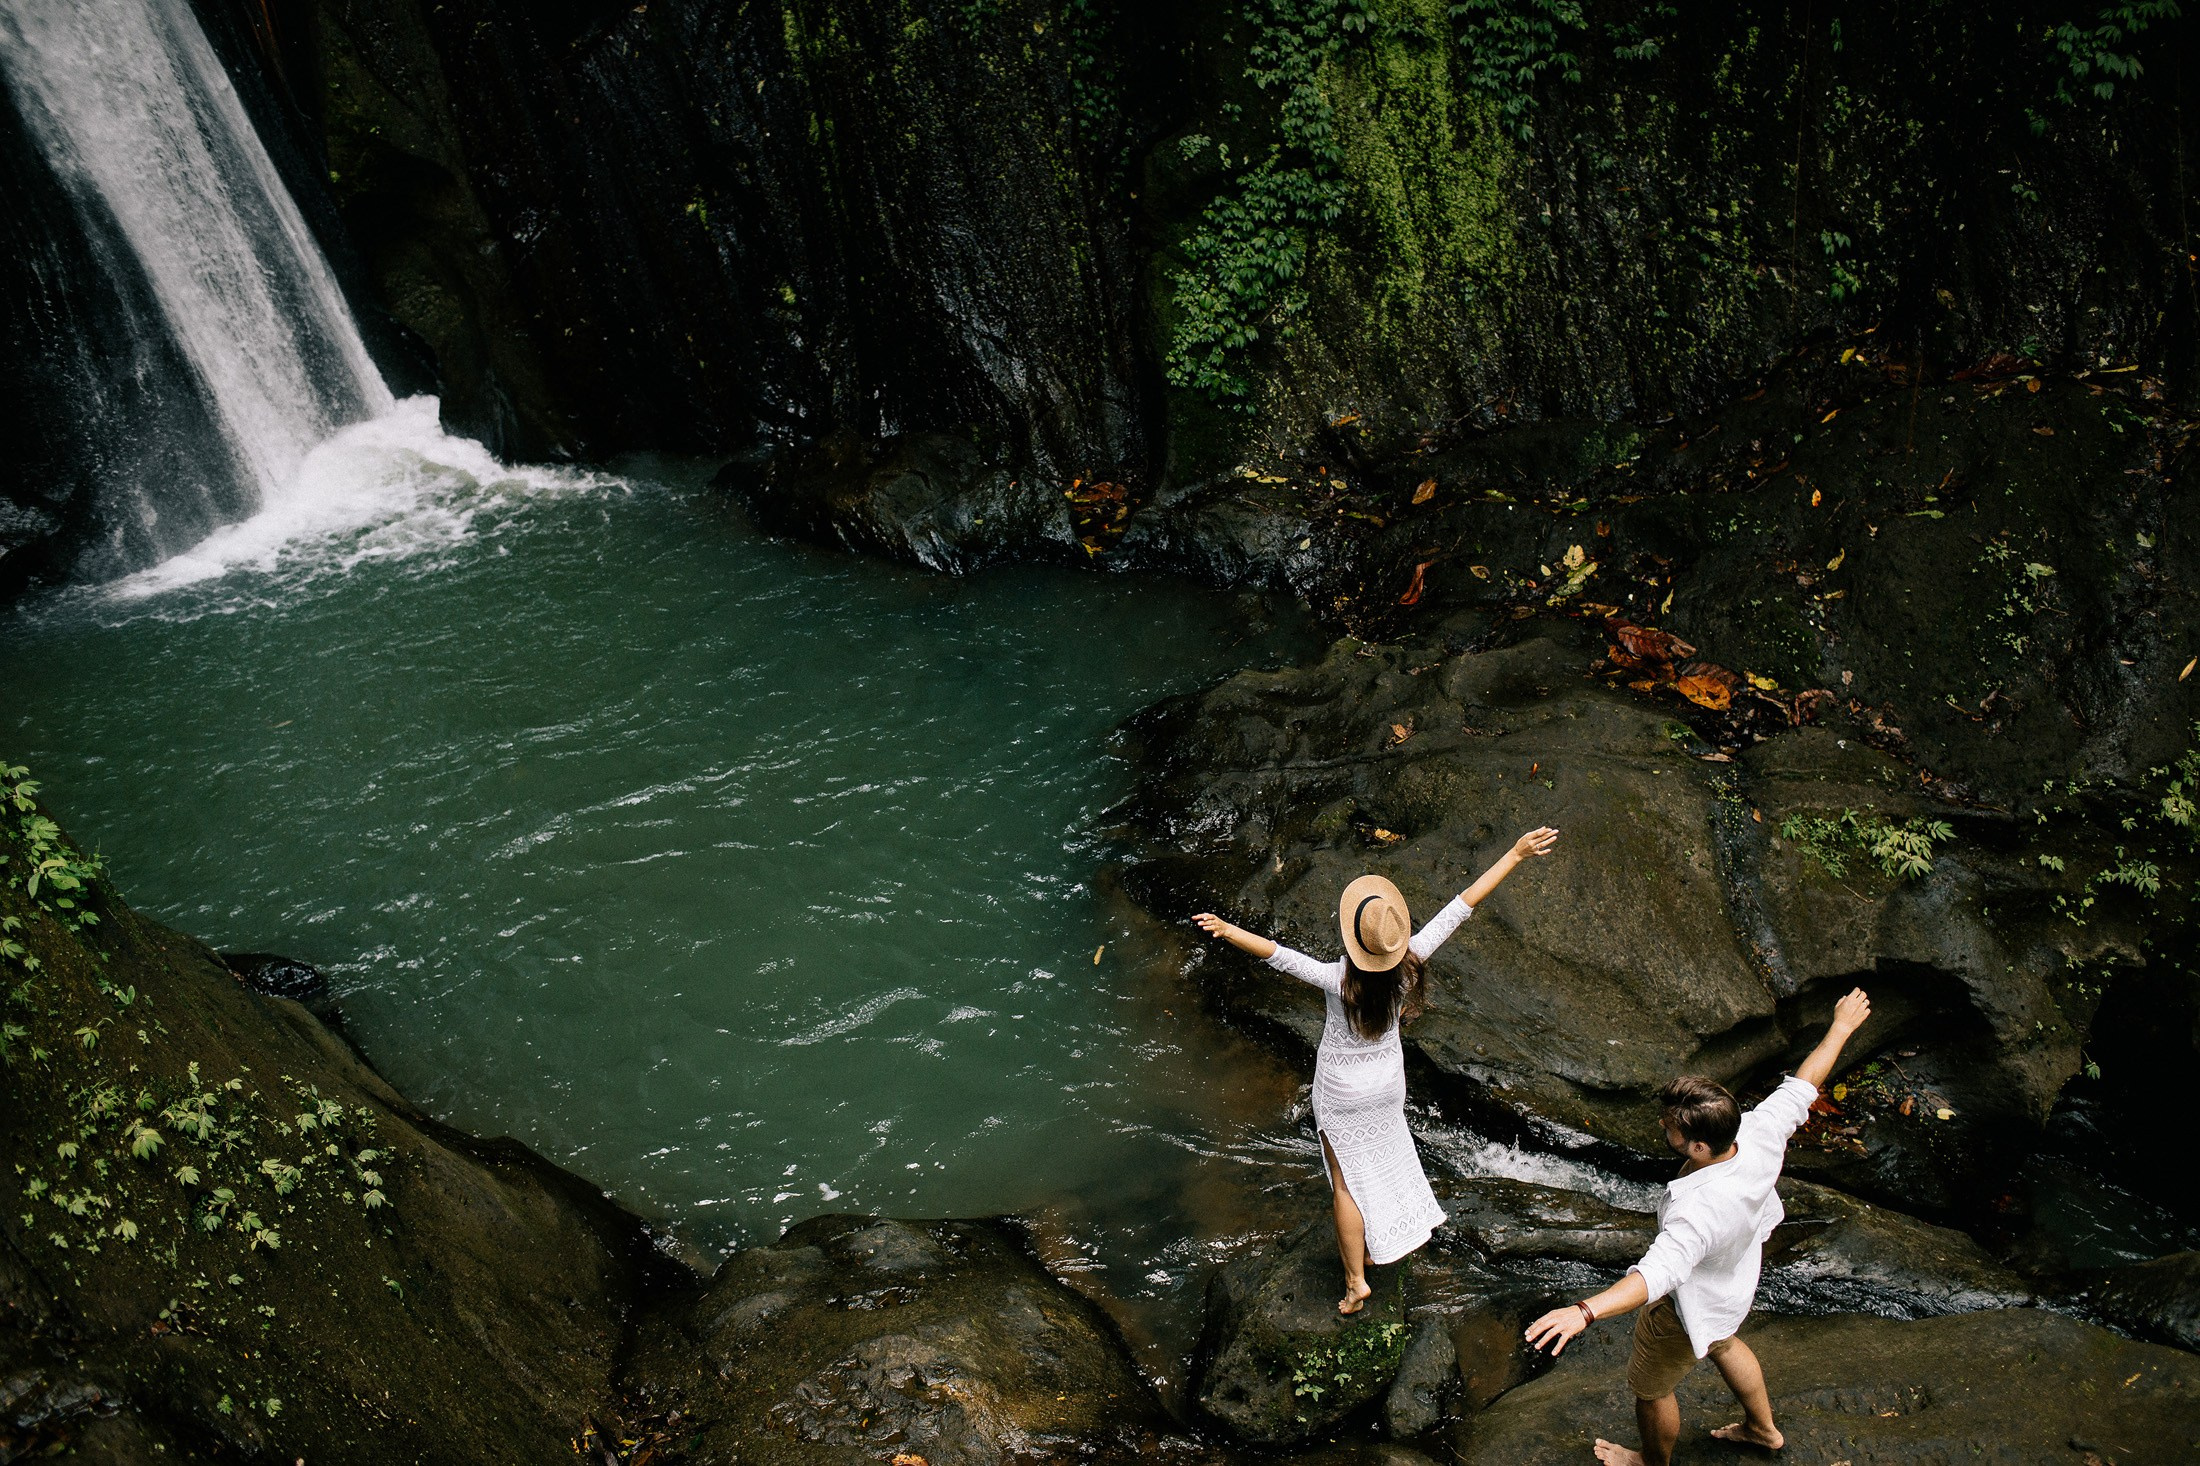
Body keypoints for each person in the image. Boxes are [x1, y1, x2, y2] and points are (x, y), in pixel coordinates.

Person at [1194, 827, 1560, 1313]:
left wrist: (1226, 929)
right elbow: (1462, 906)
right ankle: (1372, 1246)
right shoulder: (1410, 966)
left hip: (1341, 1089)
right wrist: (1515, 853)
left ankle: (1355, 1281)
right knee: (1380, 1161)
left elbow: (1278, 956)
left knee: (1345, 1181)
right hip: (1387, 1086)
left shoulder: (1335, 979)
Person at [1522, 988, 1875, 1465]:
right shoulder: (1756, 1132)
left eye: (1671, 1128)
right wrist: (1841, 1027)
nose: (1663, 1129)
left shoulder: (1699, 1212)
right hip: (1733, 1282)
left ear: (1699, 1148)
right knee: (1725, 1343)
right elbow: (1803, 1086)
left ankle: (1651, 1462)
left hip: (1686, 1307)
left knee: (1650, 1390)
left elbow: (1656, 1276)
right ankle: (1763, 1430)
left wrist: (1583, 1312)